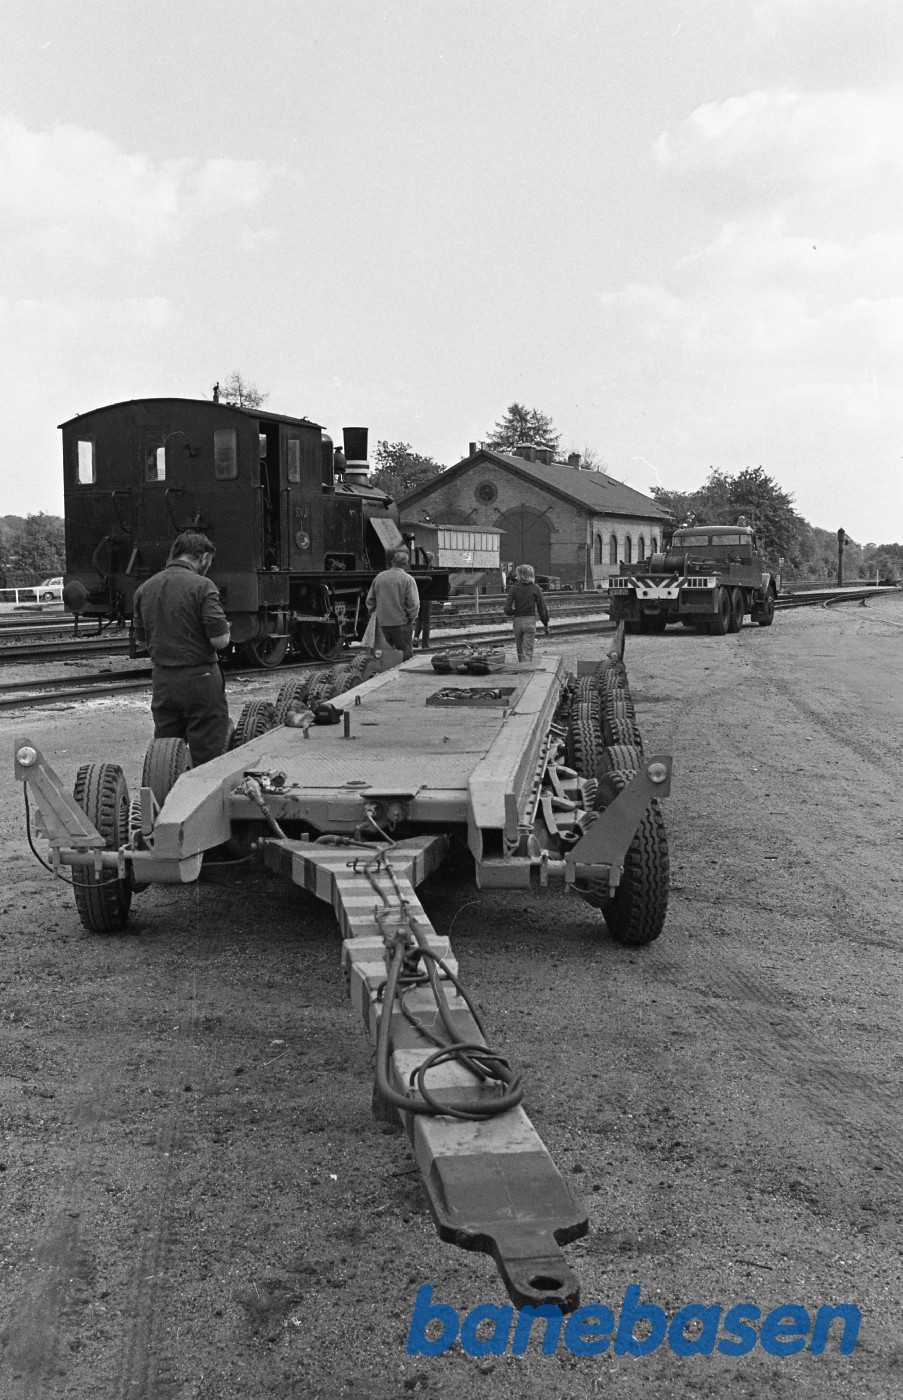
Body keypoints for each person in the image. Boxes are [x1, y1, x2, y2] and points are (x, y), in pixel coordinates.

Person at [132, 531, 231, 766]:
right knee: (208, 753)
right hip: (201, 679)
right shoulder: (203, 586)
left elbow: (141, 642)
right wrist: (225, 628)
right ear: (203, 557)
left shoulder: (145, 588)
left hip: (163, 681)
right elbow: (220, 641)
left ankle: (170, 798)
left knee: (166, 754)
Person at [366, 550, 420, 662]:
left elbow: (370, 600)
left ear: (392, 562)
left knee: (381, 657)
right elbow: (413, 604)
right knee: (405, 655)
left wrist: (374, 614)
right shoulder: (408, 579)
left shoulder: (379, 577)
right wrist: (410, 618)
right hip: (401, 623)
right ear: (405, 564)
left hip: (382, 624)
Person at [503, 563, 550, 663]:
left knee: (520, 651)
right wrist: (545, 624)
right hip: (529, 621)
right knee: (527, 651)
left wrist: (514, 612)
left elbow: (507, 609)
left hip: (517, 622)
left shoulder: (514, 588)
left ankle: (522, 671)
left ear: (519, 575)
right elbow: (542, 609)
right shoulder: (536, 588)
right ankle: (526, 674)